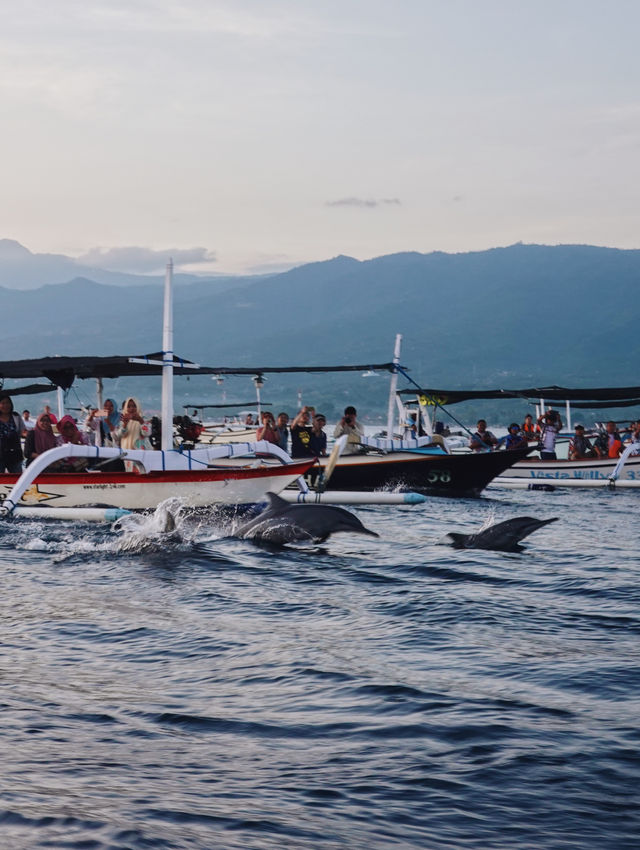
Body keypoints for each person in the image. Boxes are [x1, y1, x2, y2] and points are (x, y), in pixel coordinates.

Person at [0, 393, 25, 473]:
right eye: (3, 403)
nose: (6, 405)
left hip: (15, 453)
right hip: (1, 454)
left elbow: (23, 431)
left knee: (17, 479)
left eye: (8, 403)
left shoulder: (16, 416)